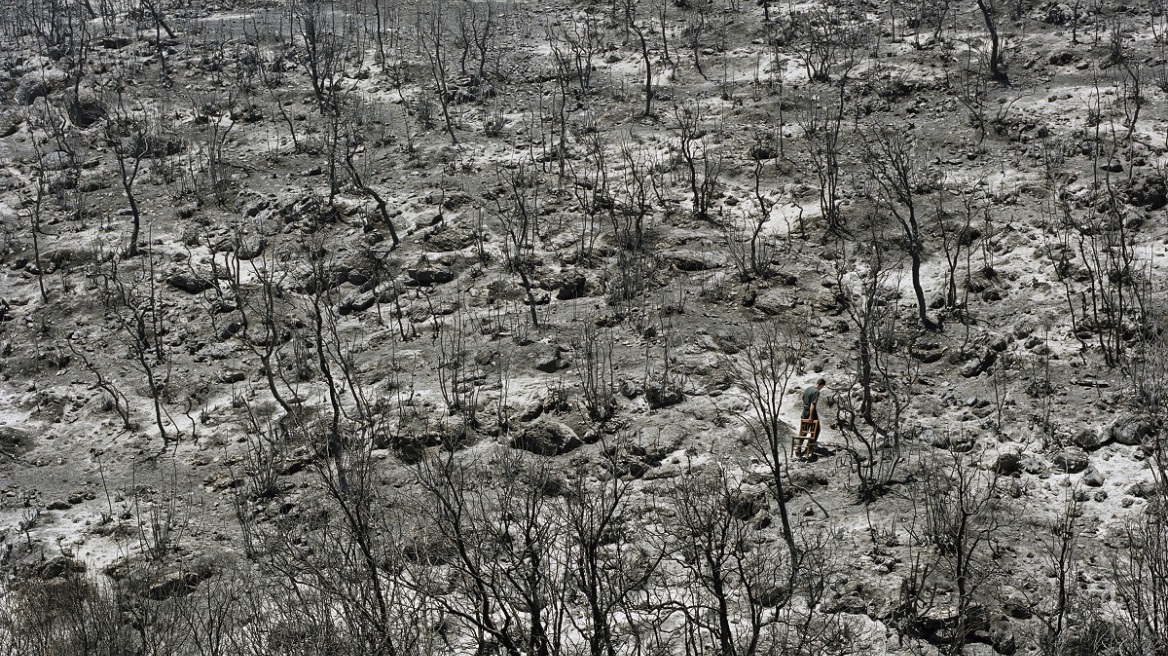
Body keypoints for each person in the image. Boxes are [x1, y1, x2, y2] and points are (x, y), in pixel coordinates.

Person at [799, 378, 826, 458]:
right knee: (816, 430)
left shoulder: (808, 389)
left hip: (804, 411)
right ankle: (809, 448)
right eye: (822, 387)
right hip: (811, 413)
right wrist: (811, 416)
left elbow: (803, 399)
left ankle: (798, 448)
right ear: (821, 385)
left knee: (804, 430)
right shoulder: (816, 392)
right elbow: (813, 405)